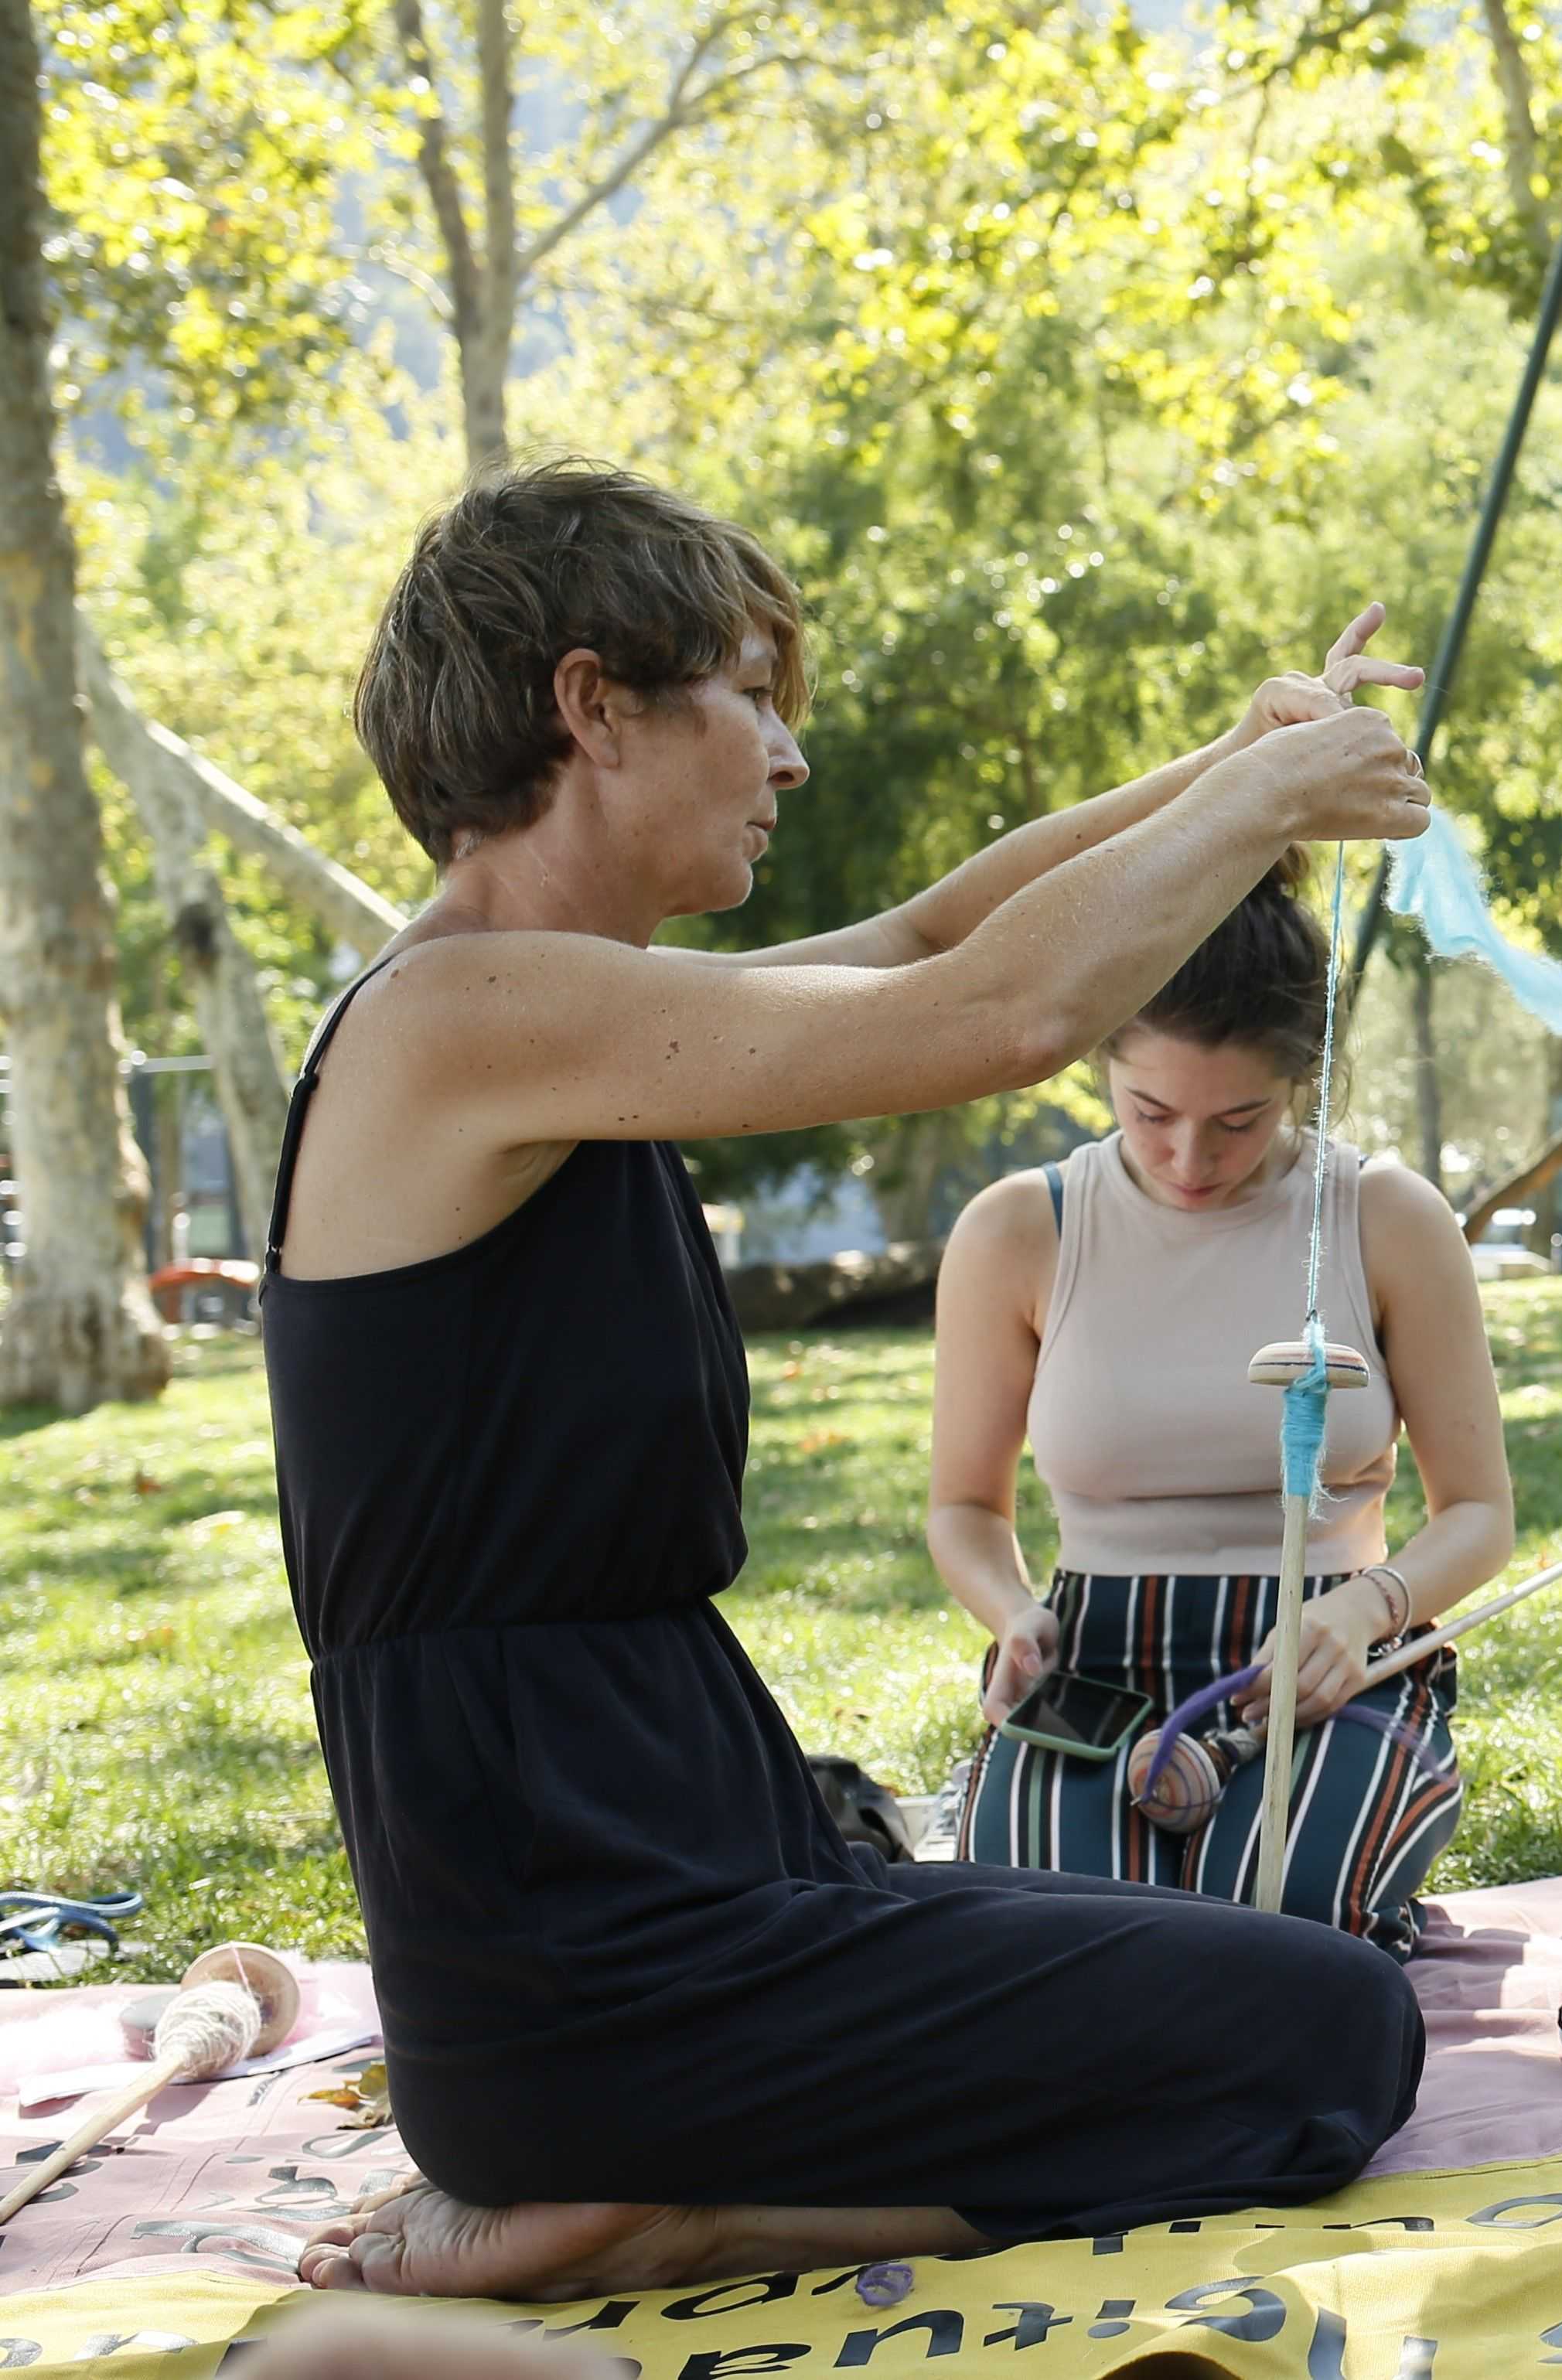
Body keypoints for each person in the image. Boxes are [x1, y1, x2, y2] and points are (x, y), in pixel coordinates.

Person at [271, 459, 1437, 2300]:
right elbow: (989, 1018)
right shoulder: (453, 1022)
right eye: (747, 691)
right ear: (592, 704)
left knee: (1302, 1991)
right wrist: (1272, 798)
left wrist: (1229, 769)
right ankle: (674, 2206)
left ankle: (667, 2190)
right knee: (1330, 2031)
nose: (786, 756)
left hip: (690, 1851)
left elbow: (917, 941)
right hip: (577, 1947)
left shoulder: (558, 1017)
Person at [930, 863, 1513, 1938]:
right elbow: (963, 1508)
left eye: (1239, 1121)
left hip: (1337, 1659)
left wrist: (1372, 1605)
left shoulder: (1383, 1216)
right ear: (1103, 1056)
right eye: (1151, 1111)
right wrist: (1013, 1613)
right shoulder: (1019, 1231)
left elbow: (1480, 1512)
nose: (1189, 1158)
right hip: (1093, 1662)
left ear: (1303, 1079)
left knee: (1276, 1917)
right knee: (1052, 1933)